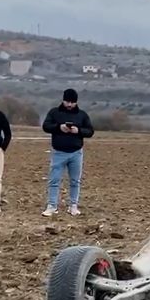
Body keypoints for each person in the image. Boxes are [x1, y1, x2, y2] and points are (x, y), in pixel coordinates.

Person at [41, 88, 95, 217]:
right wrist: (59, 128)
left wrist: (79, 131)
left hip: (76, 153)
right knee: (54, 180)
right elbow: (46, 126)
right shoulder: (54, 113)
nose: (69, 104)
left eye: (72, 102)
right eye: (67, 101)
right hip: (58, 152)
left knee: (75, 181)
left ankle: (73, 206)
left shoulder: (82, 115)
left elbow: (90, 131)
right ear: (63, 100)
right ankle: (52, 206)